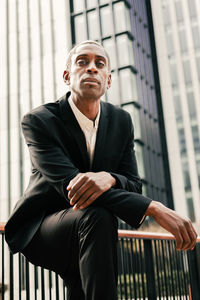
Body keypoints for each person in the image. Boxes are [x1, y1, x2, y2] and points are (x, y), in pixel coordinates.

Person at [5, 40, 197, 300]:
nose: (91, 68)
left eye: (100, 63)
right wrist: (153, 207)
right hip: (42, 227)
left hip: (89, 229)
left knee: (83, 286)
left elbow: (132, 183)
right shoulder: (39, 121)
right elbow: (71, 186)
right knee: (98, 216)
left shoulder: (121, 121)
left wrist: (109, 178)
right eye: (82, 62)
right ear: (67, 76)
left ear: (108, 80)